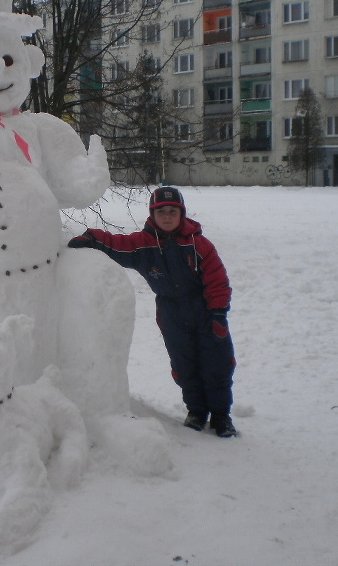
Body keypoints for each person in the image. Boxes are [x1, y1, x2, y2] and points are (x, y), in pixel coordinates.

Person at [68, 187, 237, 437]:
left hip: (205, 312)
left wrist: (218, 314)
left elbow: (217, 280)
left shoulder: (198, 245)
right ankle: (197, 411)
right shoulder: (144, 245)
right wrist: (92, 238)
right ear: (152, 215)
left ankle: (222, 416)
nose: (167, 217)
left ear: (182, 214)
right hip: (171, 314)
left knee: (217, 364)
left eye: (172, 212)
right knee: (184, 364)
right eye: (161, 212)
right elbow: (118, 245)